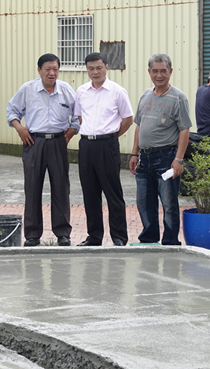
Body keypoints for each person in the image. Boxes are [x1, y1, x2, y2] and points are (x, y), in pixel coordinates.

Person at [6, 53, 79, 247]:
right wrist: (19, 128)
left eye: (55, 69)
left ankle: (63, 233)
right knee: (32, 188)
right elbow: (11, 110)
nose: (52, 73)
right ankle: (32, 234)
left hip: (58, 142)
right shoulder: (28, 89)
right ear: (39, 70)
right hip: (34, 142)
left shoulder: (66, 90)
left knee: (61, 189)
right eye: (47, 69)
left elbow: (78, 114)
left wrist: (72, 131)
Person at [128, 53, 192, 245]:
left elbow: (184, 130)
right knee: (144, 203)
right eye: (155, 71)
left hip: (167, 158)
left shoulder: (178, 98)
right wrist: (134, 153)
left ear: (170, 72)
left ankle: (171, 241)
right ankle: (149, 239)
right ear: (149, 72)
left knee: (169, 203)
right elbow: (139, 125)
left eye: (163, 71)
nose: (159, 75)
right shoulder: (145, 95)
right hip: (144, 159)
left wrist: (178, 159)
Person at [74, 53, 134, 246]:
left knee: (113, 193)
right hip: (86, 146)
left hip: (107, 145)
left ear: (106, 67)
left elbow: (128, 119)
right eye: (91, 68)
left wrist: (112, 135)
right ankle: (94, 236)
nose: (95, 72)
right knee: (90, 193)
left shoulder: (117, 91)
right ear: (87, 70)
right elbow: (79, 117)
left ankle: (119, 237)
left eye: (99, 67)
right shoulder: (81, 91)